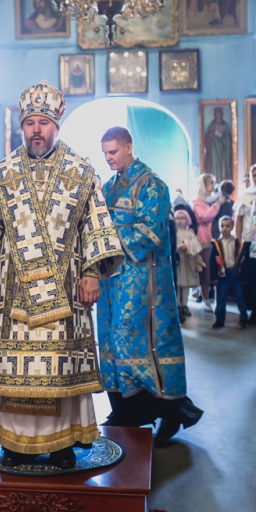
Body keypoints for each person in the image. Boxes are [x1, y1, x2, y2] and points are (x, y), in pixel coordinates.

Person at [0, 81, 124, 469]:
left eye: (43, 123)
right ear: (22, 126)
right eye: (29, 122)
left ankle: (64, 443)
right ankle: (14, 444)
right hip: (15, 294)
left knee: (60, 371)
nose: (36, 129)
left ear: (56, 126)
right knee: (18, 373)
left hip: (66, 292)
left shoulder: (81, 171)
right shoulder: (3, 172)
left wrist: (93, 273)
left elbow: (95, 225)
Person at [97, 126, 203, 447]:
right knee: (113, 340)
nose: (109, 159)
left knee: (141, 342)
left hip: (143, 283)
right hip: (111, 282)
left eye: (113, 152)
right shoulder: (108, 187)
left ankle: (172, 411)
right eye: (105, 154)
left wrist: (108, 234)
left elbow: (150, 233)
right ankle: (127, 410)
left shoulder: (153, 185)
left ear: (129, 147)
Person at [193, 173, 226, 311]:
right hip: (203, 240)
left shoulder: (209, 201)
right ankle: (205, 299)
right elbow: (204, 216)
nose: (214, 185)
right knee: (205, 271)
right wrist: (217, 204)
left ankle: (217, 299)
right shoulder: (197, 203)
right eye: (211, 182)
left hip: (214, 239)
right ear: (204, 185)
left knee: (215, 269)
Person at [210, 216, 249, 329]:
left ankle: (243, 318)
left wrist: (244, 276)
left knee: (240, 296)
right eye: (222, 226)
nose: (225, 228)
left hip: (235, 274)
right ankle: (219, 319)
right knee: (221, 298)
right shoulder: (216, 243)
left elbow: (243, 260)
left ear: (232, 227)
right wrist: (214, 276)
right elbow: (212, 261)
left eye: (228, 226)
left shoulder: (238, 243)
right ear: (219, 227)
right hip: (222, 274)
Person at [235, 166, 256, 324]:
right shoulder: (245, 194)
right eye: (254, 175)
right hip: (251, 241)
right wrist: (239, 240)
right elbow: (239, 219)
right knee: (253, 278)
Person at [174, 209, 203, 323]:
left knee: (185, 283)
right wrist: (179, 246)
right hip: (178, 260)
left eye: (182, 218)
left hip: (187, 259)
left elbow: (196, 245)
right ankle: (177, 304)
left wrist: (188, 245)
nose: (180, 220)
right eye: (178, 218)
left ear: (187, 219)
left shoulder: (190, 233)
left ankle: (184, 304)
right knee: (178, 282)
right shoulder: (173, 232)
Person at [204, 107, 233, 183]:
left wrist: (224, 133)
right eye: (216, 113)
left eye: (219, 113)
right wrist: (211, 132)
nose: (218, 114)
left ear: (222, 114)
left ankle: (223, 182)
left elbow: (230, 137)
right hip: (214, 150)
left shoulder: (225, 125)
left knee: (223, 166)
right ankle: (215, 182)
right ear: (214, 114)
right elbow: (207, 138)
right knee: (215, 165)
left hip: (224, 150)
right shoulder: (211, 125)